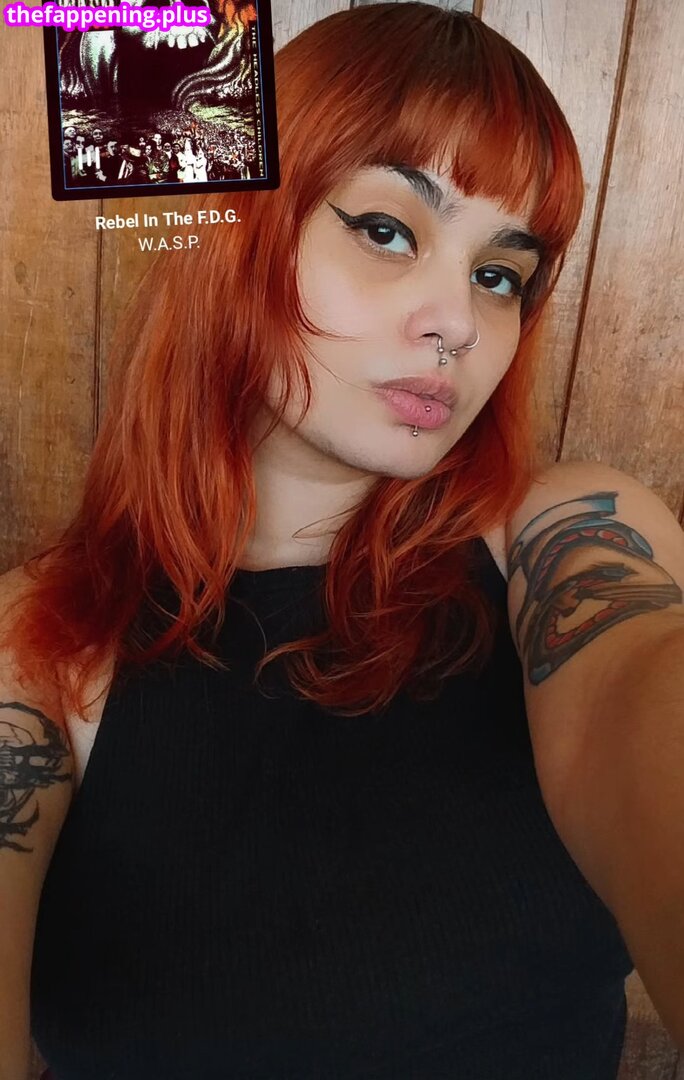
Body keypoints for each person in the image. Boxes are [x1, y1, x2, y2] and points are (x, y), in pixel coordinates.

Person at [1, 5, 683, 1079]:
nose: (457, 322)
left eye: (499, 274)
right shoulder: (42, 643)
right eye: (386, 230)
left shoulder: (564, 537)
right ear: (240, 228)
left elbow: (646, 691)